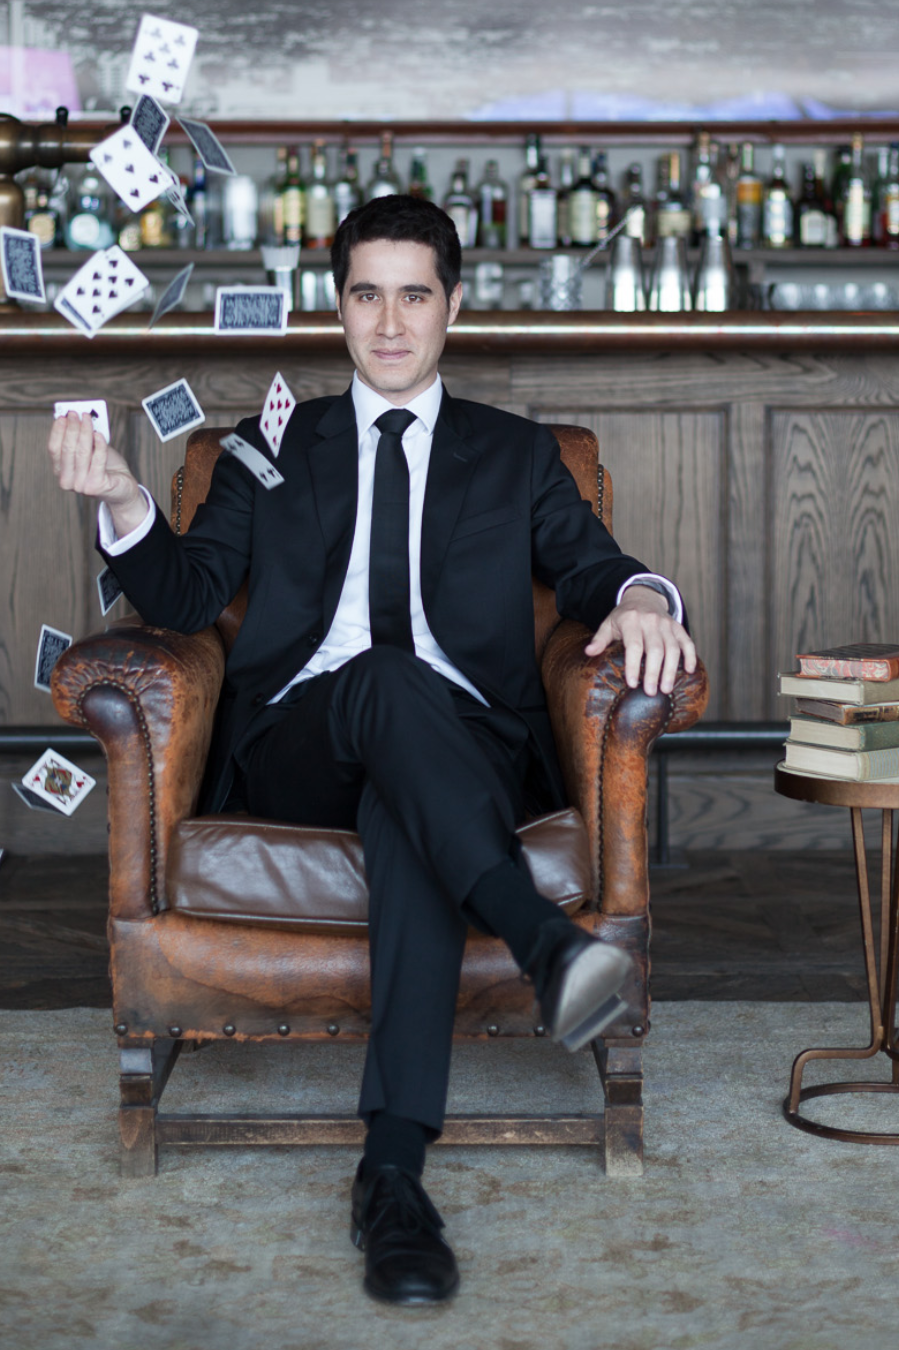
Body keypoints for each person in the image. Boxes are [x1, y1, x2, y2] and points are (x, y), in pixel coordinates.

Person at [47, 195, 696, 1307]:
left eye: (413, 295)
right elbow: (188, 597)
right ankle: (541, 939)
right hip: (301, 745)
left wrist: (641, 598)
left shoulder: (518, 453)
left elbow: (594, 567)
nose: (389, 323)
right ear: (337, 305)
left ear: (453, 305)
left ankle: (392, 1176)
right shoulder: (266, 446)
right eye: (366, 295)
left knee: (413, 800)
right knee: (385, 679)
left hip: (466, 753)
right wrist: (122, 501)